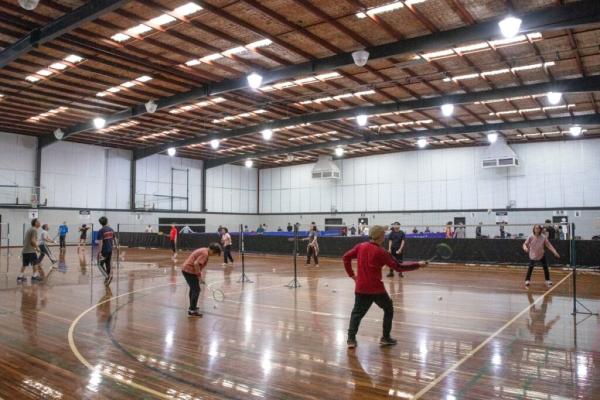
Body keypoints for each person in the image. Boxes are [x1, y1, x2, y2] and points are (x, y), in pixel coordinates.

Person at [343, 225, 428, 348]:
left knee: (356, 313)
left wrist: (352, 275)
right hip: (376, 289)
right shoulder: (381, 252)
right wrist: (418, 265)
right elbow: (399, 267)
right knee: (388, 309)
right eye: (384, 234)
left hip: (361, 288)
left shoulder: (360, 247)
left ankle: (351, 340)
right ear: (381, 237)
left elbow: (345, 257)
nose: (385, 236)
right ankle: (385, 338)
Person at [181, 243, 222, 317]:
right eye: (215, 253)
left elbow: (197, 265)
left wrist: (198, 276)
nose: (214, 255)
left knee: (193, 289)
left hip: (188, 270)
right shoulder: (205, 254)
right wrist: (199, 277)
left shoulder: (204, 250)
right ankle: (192, 310)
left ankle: (192, 307)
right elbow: (196, 263)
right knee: (196, 290)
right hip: (188, 271)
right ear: (213, 250)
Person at [18, 218, 44, 283]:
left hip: (25, 250)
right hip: (31, 250)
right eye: (39, 222)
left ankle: (20, 277)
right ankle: (34, 276)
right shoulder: (34, 230)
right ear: (35, 223)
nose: (40, 223)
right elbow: (33, 241)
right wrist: (37, 248)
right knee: (35, 263)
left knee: (24, 264)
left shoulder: (30, 229)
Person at [96, 216, 118, 286]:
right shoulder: (111, 229)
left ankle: (107, 276)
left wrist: (99, 252)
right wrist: (117, 246)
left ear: (100, 223)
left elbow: (100, 243)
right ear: (107, 221)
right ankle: (108, 276)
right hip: (110, 250)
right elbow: (115, 239)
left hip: (104, 251)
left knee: (99, 264)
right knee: (107, 263)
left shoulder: (101, 231)